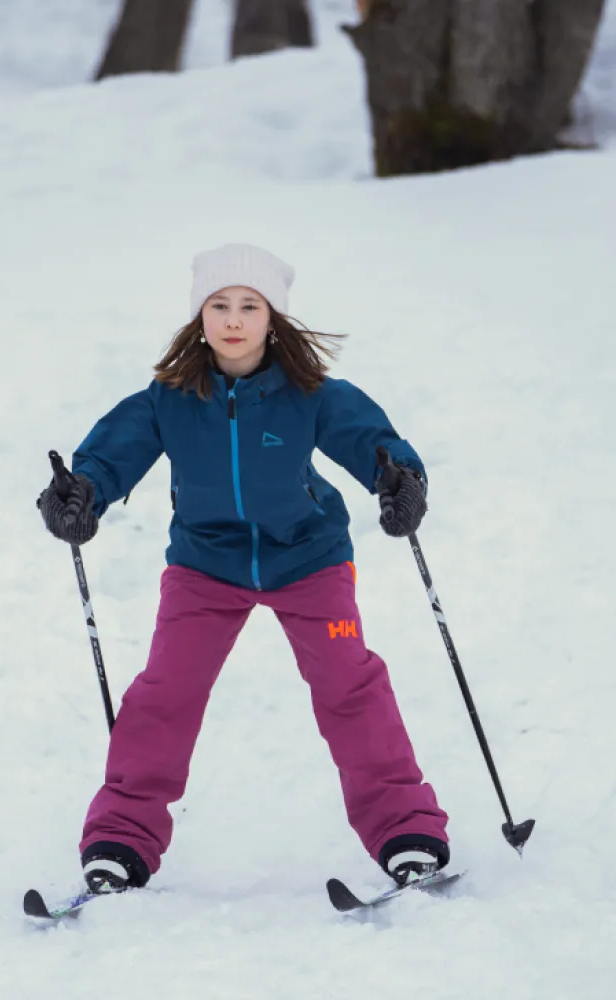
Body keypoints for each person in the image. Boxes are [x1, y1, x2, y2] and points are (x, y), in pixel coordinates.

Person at [37, 243, 449, 894]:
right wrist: (81, 493)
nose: (233, 319)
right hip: (206, 563)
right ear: (199, 316)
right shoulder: (167, 400)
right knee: (165, 693)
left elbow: (372, 442)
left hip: (309, 558)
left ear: (272, 317)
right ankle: (121, 838)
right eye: (219, 305)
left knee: (350, 684)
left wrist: (399, 480)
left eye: (248, 306)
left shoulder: (310, 394)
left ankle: (405, 830)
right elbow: (109, 457)